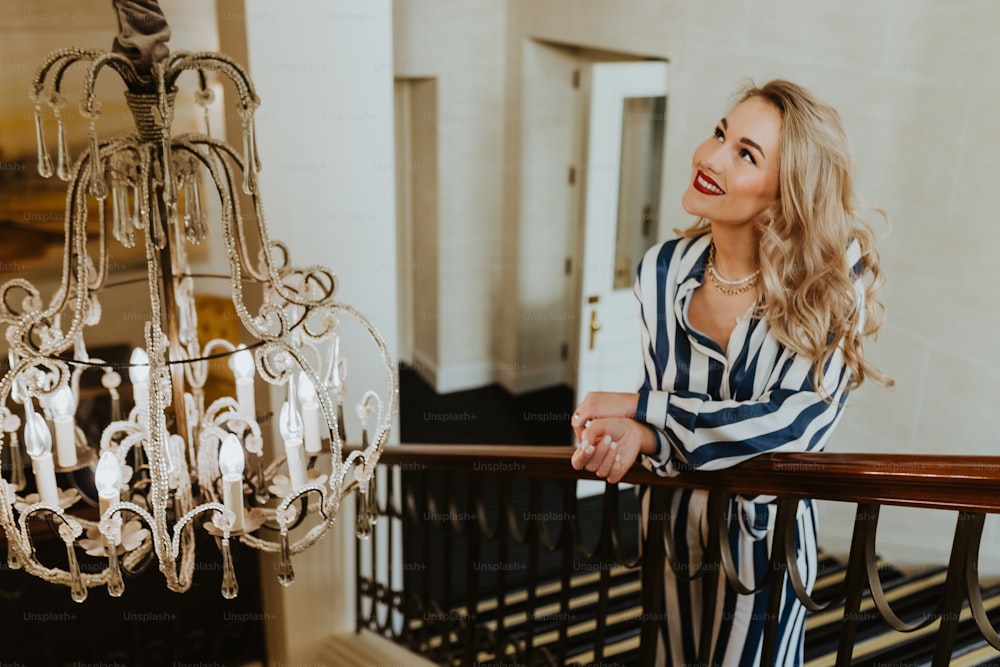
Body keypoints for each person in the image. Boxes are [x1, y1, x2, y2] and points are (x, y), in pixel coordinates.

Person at [568, 79, 891, 665]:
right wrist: (639, 435)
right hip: (671, 521)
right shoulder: (662, 271)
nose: (710, 157)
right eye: (720, 133)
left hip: (766, 541)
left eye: (746, 153)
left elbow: (792, 429)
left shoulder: (834, 282)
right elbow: (664, 397)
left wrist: (646, 409)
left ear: (785, 194)